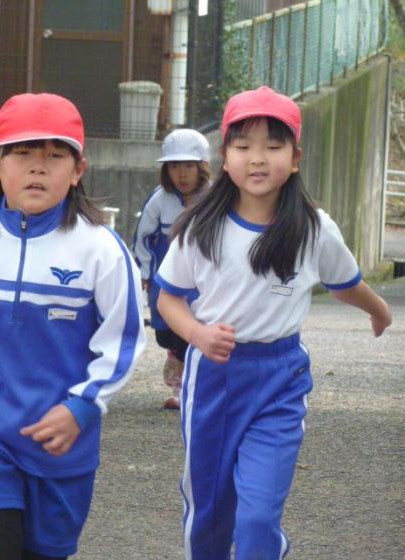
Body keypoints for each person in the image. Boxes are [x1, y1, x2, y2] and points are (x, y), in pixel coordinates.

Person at [155, 86, 392, 559]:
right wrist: (198, 334)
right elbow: (168, 300)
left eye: (273, 146)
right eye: (243, 146)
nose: (258, 158)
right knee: (210, 510)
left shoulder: (314, 228)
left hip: (280, 379)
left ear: (295, 158)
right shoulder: (201, 226)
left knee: (259, 515)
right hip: (214, 379)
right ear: (225, 159)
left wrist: (378, 309)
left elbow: (344, 283)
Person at [0, 92, 146, 560]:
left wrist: (83, 406)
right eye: (23, 153)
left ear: (78, 170)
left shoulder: (101, 250)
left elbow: (123, 341)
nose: (38, 167)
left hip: (61, 446)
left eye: (55, 156)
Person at [132, 128, 210, 410]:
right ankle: (175, 357)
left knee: (196, 330)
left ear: (202, 166)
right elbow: (142, 238)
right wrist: (144, 273)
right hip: (165, 279)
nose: (182, 174)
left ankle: (186, 389)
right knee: (166, 333)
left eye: (189, 165)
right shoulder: (159, 199)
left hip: (202, 280)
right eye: (174, 166)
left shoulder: (215, 197)